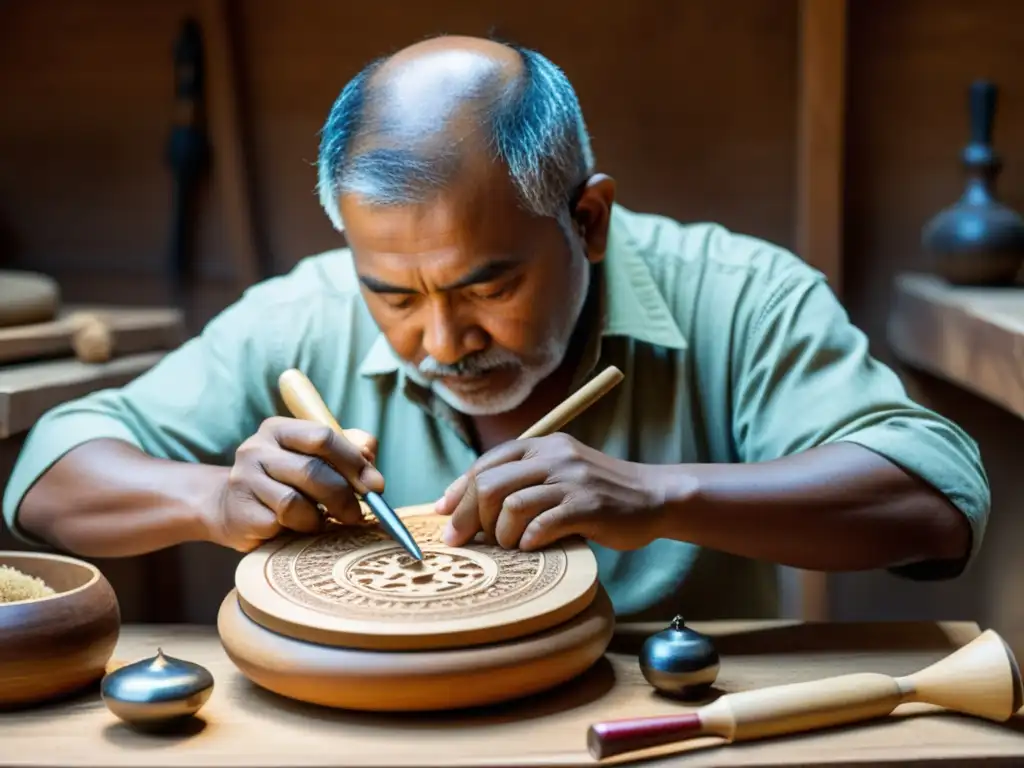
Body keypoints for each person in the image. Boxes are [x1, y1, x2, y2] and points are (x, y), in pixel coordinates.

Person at [2, 35, 988, 620]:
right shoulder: (304, 310)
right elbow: (50, 474)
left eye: (487, 286)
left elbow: (936, 498)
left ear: (588, 221)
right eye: (393, 296)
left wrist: (658, 493)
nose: (441, 342)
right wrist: (214, 498)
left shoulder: (740, 294)